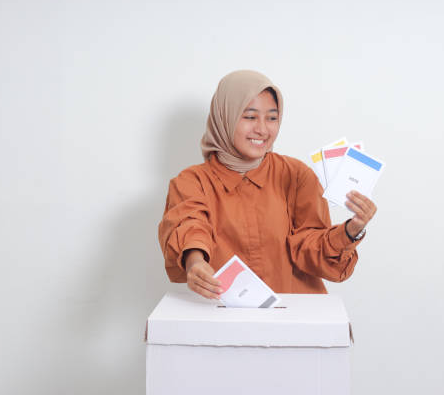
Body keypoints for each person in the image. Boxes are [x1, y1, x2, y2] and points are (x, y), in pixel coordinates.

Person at [158, 70, 377, 299]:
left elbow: (313, 251)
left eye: (272, 118)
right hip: (225, 323)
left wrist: (351, 231)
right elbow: (191, 225)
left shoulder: (296, 175)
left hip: (294, 321)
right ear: (225, 117)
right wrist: (195, 262)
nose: (262, 129)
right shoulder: (191, 182)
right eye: (250, 117)